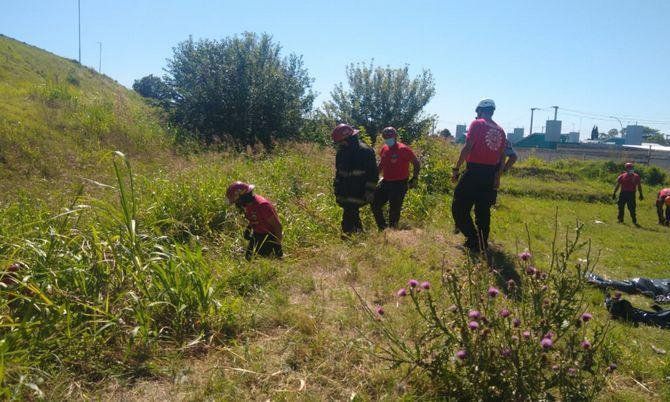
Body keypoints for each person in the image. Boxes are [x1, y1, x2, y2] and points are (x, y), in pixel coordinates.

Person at [451, 99, 507, 252]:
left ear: (479, 111)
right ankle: (482, 243)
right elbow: (502, 157)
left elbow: (468, 147)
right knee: (483, 210)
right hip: (490, 174)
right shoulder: (501, 130)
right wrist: (497, 177)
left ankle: (473, 239)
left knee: (459, 206)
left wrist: (456, 168)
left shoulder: (477, 124)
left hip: (474, 172)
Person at [332, 124, 379, 235]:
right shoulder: (342, 151)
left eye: (340, 141)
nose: (339, 144)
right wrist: (337, 187)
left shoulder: (365, 151)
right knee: (351, 211)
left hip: (359, 190)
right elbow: (339, 171)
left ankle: (350, 236)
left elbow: (373, 173)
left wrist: (369, 190)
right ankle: (358, 234)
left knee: (350, 213)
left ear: (348, 138)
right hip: (345, 189)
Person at [372, 127, 421, 230]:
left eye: (390, 137)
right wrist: (373, 176)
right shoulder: (384, 148)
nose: (388, 139)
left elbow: (416, 163)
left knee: (394, 210)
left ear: (395, 136)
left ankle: (393, 232)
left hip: (399, 183)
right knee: (375, 203)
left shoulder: (403, 149)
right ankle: (383, 228)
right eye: (385, 137)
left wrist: (415, 178)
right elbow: (382, 164)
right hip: (385, 182)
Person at [226, 181, 283, 260]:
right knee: (249, 258)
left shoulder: (262, 205)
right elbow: (255, 217)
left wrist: (277, 245)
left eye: (237, 201)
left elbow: (277, 226)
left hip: (269, 237)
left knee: (261, 260)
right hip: (257, 235)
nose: (237, 204)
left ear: (243, 196)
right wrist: (249, 228)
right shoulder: (248, 204)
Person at [491, 140, 518, 206]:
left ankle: (490, 202)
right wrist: (503, 170)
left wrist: (503, 169)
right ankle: (492, 202)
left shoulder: (488, 137)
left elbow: (511, 157)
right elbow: (514, 157)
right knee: (495, 182)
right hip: (497, 164)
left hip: (490, 164)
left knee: (493, 182)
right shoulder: (504, 140)